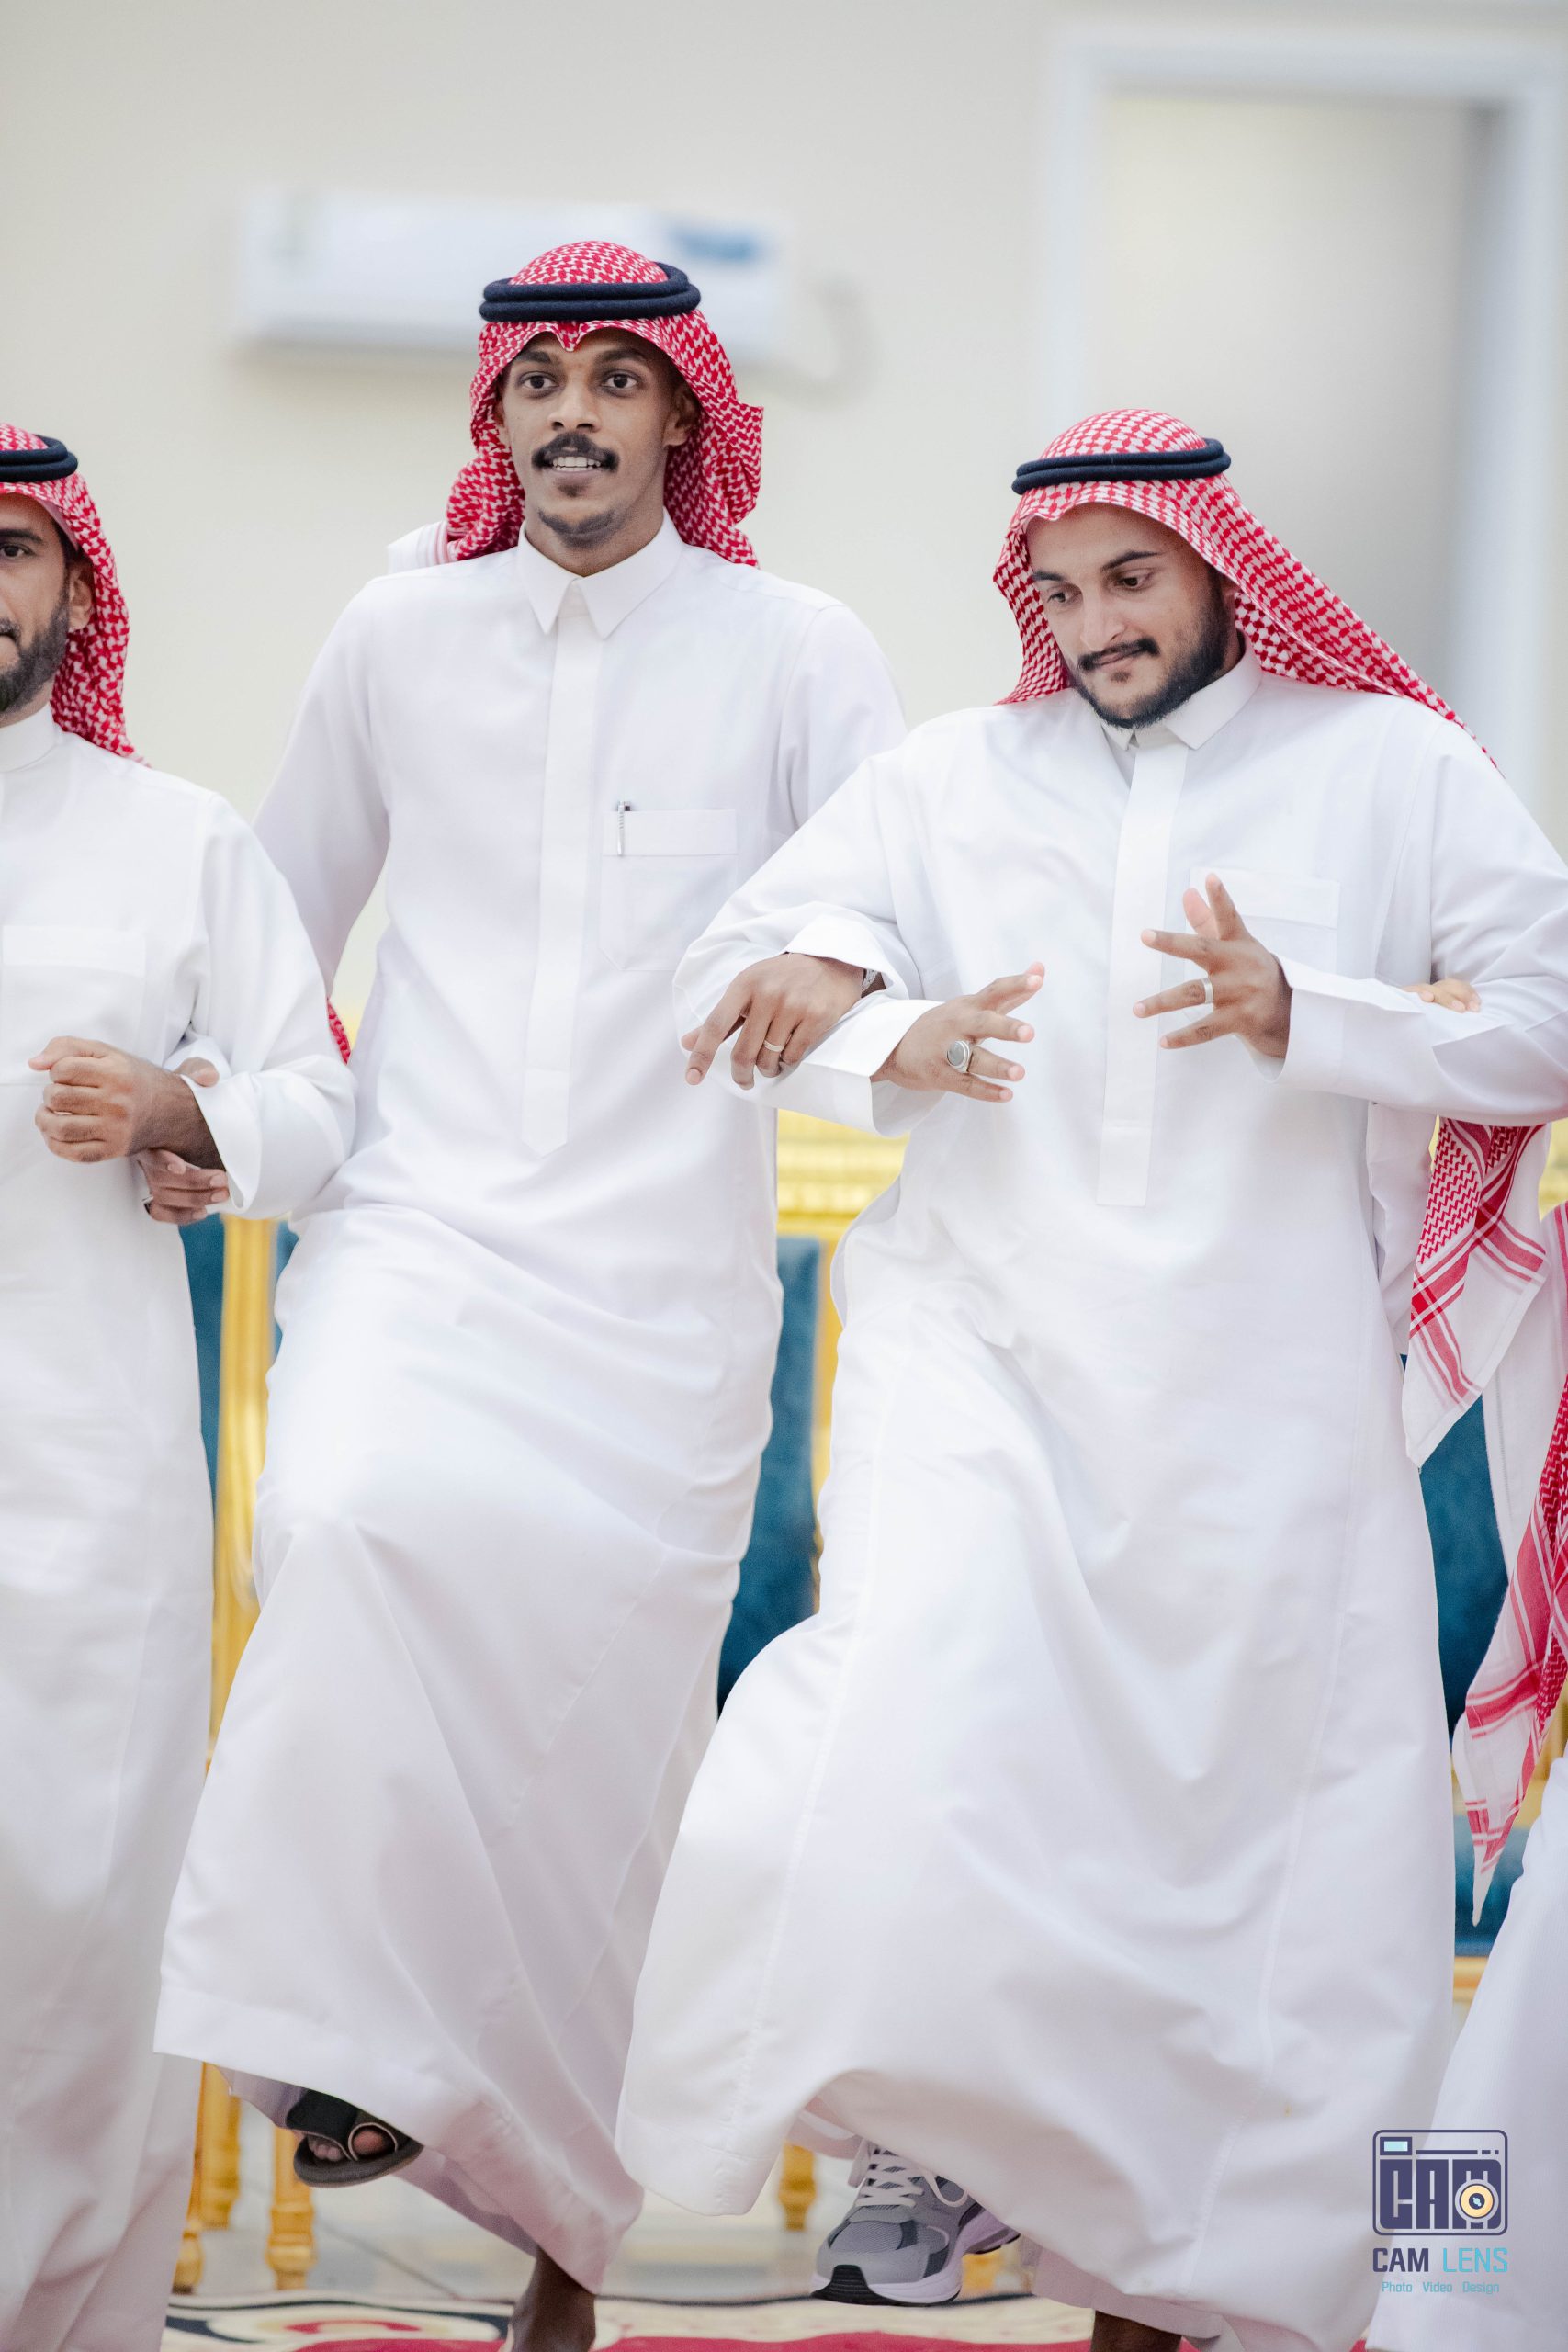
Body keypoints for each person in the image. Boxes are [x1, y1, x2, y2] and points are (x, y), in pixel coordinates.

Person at [615, 411, 1568, 2352]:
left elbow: (1546, 1021)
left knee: (1279, 1879)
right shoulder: (951, 777)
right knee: (898, 1721)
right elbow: (735, 974)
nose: (1094, 625)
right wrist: (871, 1018)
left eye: (1131, 580)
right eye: (1058, 592)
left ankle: (1252, 2281)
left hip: (1269, 1402)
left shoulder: (1394, 768)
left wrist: (1314, 1012)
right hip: (980, 1355)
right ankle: (922, 2135)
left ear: (1225, 568)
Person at [155, 243, 904, 2352]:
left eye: (613, 379)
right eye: (536, 380)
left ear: (682, 414)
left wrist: (839, 955)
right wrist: (210, 1100)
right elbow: (277, 911)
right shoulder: (397, 634)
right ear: (493, 417)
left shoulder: (794, 647)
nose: (572, 412)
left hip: (662, 1292)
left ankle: (562, 2260)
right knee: (341, 1520)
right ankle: (344, 2039)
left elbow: (896, 884)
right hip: (421, 1230)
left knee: (602, 1757)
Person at [0, 426, 352, 2352]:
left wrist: (175, 1105)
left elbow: (317, 1096)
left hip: (79, 1478)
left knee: (76, 1918)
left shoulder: (177, 837)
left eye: (9, 547)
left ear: (73, 585)